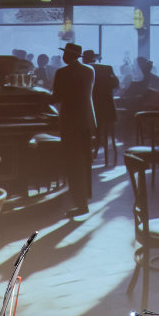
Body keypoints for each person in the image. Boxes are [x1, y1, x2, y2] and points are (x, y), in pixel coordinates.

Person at [52, 42, 97, 217]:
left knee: (73, 162)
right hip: (87, 120)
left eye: (65, 53)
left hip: (70, 120)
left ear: (68, 55)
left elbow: (57, 97)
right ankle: (85, 199)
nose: (63, 56)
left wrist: (42, 97)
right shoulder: (89, 70)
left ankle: (79, 203)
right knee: (85, 161)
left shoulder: (62, 72)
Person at [84, 49, 119, 166]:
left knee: (87, 129)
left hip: (91, 106)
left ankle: (90, 152)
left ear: (84, 59)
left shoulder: (84, 69)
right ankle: (109, 152)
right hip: (107, 107)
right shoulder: (107, 68)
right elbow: (116, 84)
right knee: (106, 129)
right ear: (94, 58)